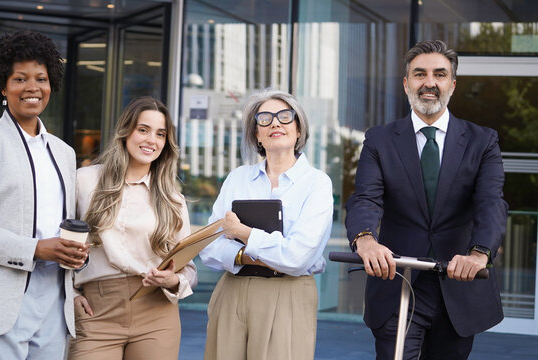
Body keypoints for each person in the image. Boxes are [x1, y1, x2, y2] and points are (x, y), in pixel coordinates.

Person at [345, 40, 508, 359]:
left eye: (440, 74)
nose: (429, 82)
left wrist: (479, 253)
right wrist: (365, 240)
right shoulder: (379, 139)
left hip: (458, 287)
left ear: (452, 84)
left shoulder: (483, 141)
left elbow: (491, 202)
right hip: (398, 285)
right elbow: (365, 197)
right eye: (419, 74)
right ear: (407, 83)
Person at [0, 31, 89, 360]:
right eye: (20, 78)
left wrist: (75, 253)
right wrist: (34, 249)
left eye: (41, 78)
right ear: (3, 86)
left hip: (53, 304)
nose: (32, 87)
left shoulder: (63, 153)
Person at [200, 89, 334, 360]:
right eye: (264, 118)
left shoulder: (316, 183)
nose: (275, 123)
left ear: (298, 130)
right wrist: (251, 255)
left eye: (285, 117)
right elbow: (208, 246)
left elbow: (297, 257)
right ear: (257, 135)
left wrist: (242, 233)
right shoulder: (237, 178)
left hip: (288, 293)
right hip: (232, 291)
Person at [68, 96, 197, 360]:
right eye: (143, 130)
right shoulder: (84, 181)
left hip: (156, 313)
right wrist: (69, 294)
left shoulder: (173, 199)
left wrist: (173, 280)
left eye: (160, 134)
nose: (152, 140)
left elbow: (188, 267)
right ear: (126, 132)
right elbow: (60, 245)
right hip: (96, 312)